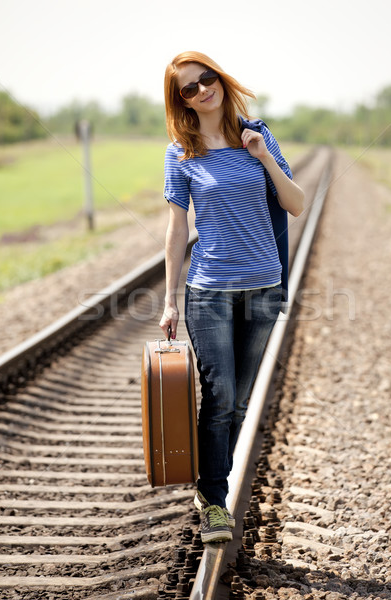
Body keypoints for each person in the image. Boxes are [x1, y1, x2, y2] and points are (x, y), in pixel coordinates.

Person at [159, 51, 304, 543]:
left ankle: (208, 485)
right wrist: (169, 299)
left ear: (220, 80)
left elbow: (296, 203)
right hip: (210, 291)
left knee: (240, 402)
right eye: (189, 88)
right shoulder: (182, 151)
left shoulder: (256, 136)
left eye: (207, 79)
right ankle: (215, 501)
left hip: (263, 284)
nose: (203, 90)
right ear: (180, 100)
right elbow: (177, 231)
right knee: (219, 396)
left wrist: (263, 155)